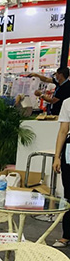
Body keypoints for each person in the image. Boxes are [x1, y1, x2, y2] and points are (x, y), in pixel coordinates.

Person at [51, 98, 70, 247]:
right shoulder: (68, 103)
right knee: (69, 194)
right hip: (69, 150)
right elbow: (63, 131)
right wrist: (57, 156)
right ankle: (67, 235)